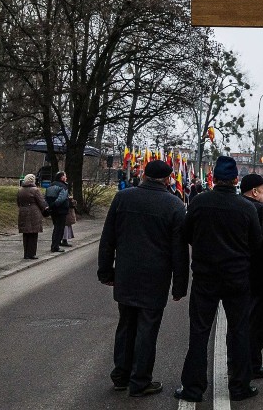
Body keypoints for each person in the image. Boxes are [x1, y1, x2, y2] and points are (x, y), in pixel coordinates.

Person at [98, 159, 189, 397]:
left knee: (126, 325)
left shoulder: (123, 198)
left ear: (145, 176)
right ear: (169, 179)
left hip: (126, 274)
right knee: (147, 330)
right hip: (155, 278)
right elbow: (179, 251)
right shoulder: (175, 205)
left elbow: (108, 239)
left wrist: (106, 271)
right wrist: (179, 286)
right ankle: (140, 381)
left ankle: (121, 375)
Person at [177, 156, 261, 403]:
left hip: (205, 276)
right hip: (237, 277)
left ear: (214, 177)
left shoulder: (199, 203)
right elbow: (256, 243)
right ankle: (240, 385)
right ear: (236, 179)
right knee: (239, 331)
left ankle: (193, 387)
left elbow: (187, 234)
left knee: (199, 331)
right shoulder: (246, 207)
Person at [240, 173, 263, 380]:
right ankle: (252, 363)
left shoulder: (238, 206)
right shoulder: (260, 210)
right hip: (261, 275)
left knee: (243, 321)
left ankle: (243, 361)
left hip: (241, 273)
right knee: (259, 323)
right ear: (254, 192)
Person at [17, 174, 48, 259]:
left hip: (23, 212)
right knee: (33, 234)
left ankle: (26, 253)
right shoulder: (35, 190)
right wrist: (45, 209)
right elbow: (41, 202)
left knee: (26, 233)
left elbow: (18, 202)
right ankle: (32, 253)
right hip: (34, 213)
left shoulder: (20, 190)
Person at [45, 171, 70, 252]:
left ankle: (55, 244)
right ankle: (55, 246)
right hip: (61, 210)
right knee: (59, 228)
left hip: (53, 210)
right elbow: (61, 199)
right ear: (62, 177)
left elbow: (46, 197)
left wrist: (49, 206)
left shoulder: (50, 186)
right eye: (65, 176)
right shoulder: (63, 187)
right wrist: (54, 205)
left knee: (56, 227)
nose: (66, 178)